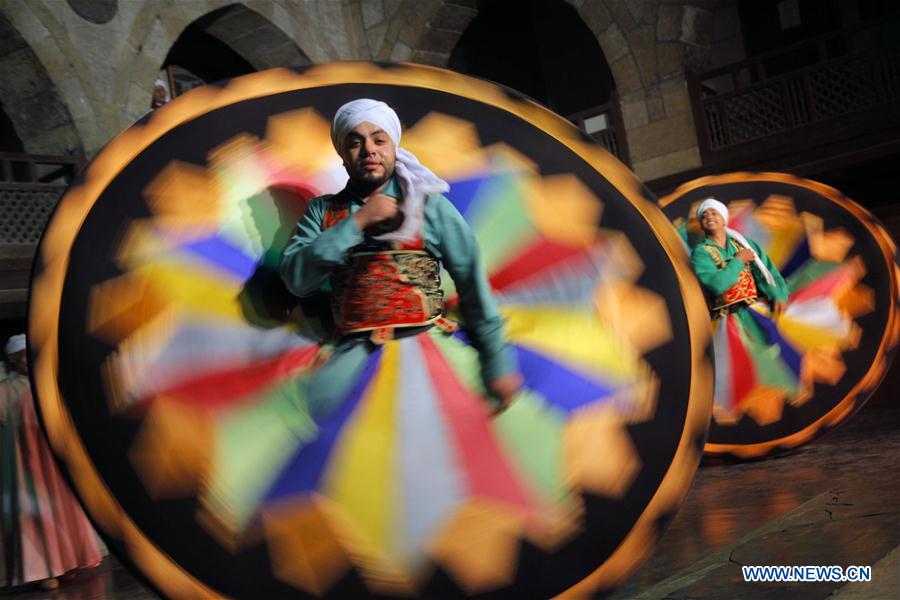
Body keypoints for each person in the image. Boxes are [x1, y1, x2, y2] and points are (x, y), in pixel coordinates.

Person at [280, 98, 521, 413]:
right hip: (354, 357)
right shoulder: (322, 211)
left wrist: (498, 361)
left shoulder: (428, 205)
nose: (369, 150)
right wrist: (358, 222)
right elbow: (297, 281)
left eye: (379, 140)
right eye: (355, 142)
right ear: (342, 154)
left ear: (394, 147)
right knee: (317, 415)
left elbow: (472, 282)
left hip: (430, 350)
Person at [1, 335, 102, 590]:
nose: (27, 360)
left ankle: (66, 563)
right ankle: (44, 570)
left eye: (29, 354)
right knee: (34, 515)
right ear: (13, 360)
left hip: (51, 459)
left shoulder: (49, 384)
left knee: (61, 511)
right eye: (21, 356)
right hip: (24, 464)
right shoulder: (6, 390)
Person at [690, 198, 789, 322]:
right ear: (701, 225)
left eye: (714, 213)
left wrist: (778, 295)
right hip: (725, 320)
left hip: (755, 311)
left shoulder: (744, 242)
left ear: (724, 220)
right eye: (704, 215)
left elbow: (766, 271)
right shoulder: (701, 252)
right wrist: (739, 261)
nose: (709, 216)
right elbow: (717, 285)